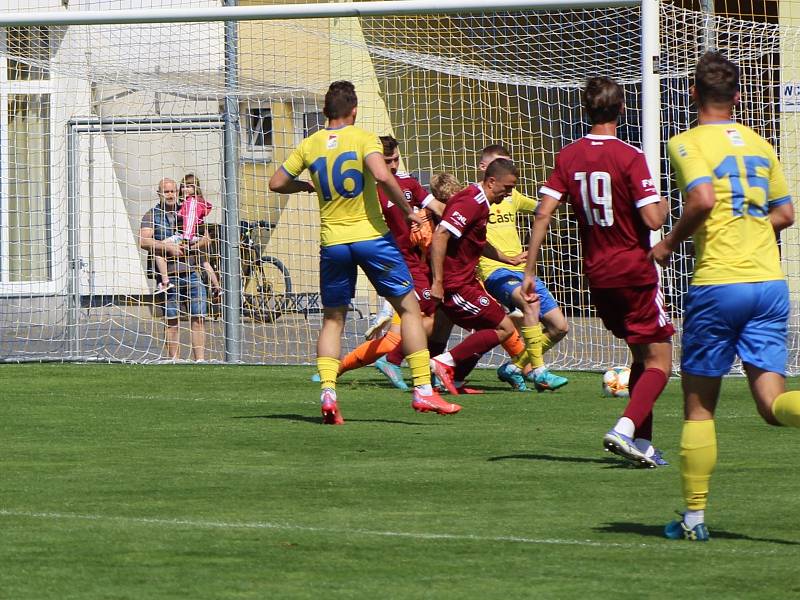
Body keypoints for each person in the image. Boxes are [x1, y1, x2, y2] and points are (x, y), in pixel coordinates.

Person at [650, 51, 800, 540]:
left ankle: (693, 518)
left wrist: (670, 242)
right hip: (769, 283)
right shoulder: (762, 144)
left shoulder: (686, 142)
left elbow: (703, 198)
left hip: (720, 283)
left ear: (692, 93)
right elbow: (785, 214)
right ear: (737, 97)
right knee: (772, 404)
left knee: (698, 408)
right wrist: (751, 225)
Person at [269, 80, 460, 424]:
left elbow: (276, 182)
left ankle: (328, 392)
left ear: (327, 112)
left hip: (333, 243)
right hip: (372, 238)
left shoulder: (310, 144)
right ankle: (423, 391)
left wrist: (305, 185)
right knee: (410, 309)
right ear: (353, 110)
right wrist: (408, 210)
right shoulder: (363, 137)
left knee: (333, 319)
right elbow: (380, 173)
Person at [522, 76, 674, 468]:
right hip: (634, 270)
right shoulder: (629, 156)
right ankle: (624, 428)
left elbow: (543, 213)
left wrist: (529, 271)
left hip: (597, 275)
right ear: (622, 109)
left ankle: (643, 442)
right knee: (661, 361)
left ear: (586, 111)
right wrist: (668, 204)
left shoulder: (568, 156)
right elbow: (652, 217)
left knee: (640, 356)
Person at [324, 135, 440, 391]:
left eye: (397, 159)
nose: (394, 166)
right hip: (392, 261)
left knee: (417, 322)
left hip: (415, 261)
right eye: (388, 161)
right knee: (431, 316)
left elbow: (437, 206)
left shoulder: (408, 185)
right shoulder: (366, 191)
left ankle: (340, 368)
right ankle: (402, 363)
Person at [476, 144, 569, 393]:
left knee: (560, 327)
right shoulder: (473, 199)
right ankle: (539, 372)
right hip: (495, 272)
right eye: (501, 164)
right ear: (485, 169)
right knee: (530, 303)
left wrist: (564, 193)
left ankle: (515, 367)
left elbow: (542, 209)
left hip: (521, 271)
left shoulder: (512, 196)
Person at [428, 158, 520, 394]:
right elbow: (440, 235)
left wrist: (507, 258)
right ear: (491, 182)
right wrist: (438, 282)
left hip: (463, 280)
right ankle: (443, 363)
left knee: (452, 329)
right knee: (504, 327)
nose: (509, 194)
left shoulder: (477, 199)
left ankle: (453, 379)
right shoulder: (472, 202)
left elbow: (475, 239)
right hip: (455, 284)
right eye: (507, 188)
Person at [139, 177, 210, 361]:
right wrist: (168, 248)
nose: (170, 195)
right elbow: (144, 240)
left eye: (173, 191)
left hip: (193, 272)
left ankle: (200, 360)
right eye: (166, 191)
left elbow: (206, 239)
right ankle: (175, 360)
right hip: (168, 278)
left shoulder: (189, 208)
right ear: (159, 193)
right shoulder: (152, 214)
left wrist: (191, 247)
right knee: (171, 321)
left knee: (199, 317)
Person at [152, 174, 222, 298]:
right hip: (195, 235)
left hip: (187, 235)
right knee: (204, 262)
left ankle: (165, 282)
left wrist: (185, 240)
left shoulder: (191, 202)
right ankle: (217, 287)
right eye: (183, 186)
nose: (185, 189)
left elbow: (189, 222)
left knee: (158, 249)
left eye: (189, 186)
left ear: (196, 188)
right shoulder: (195, 202)